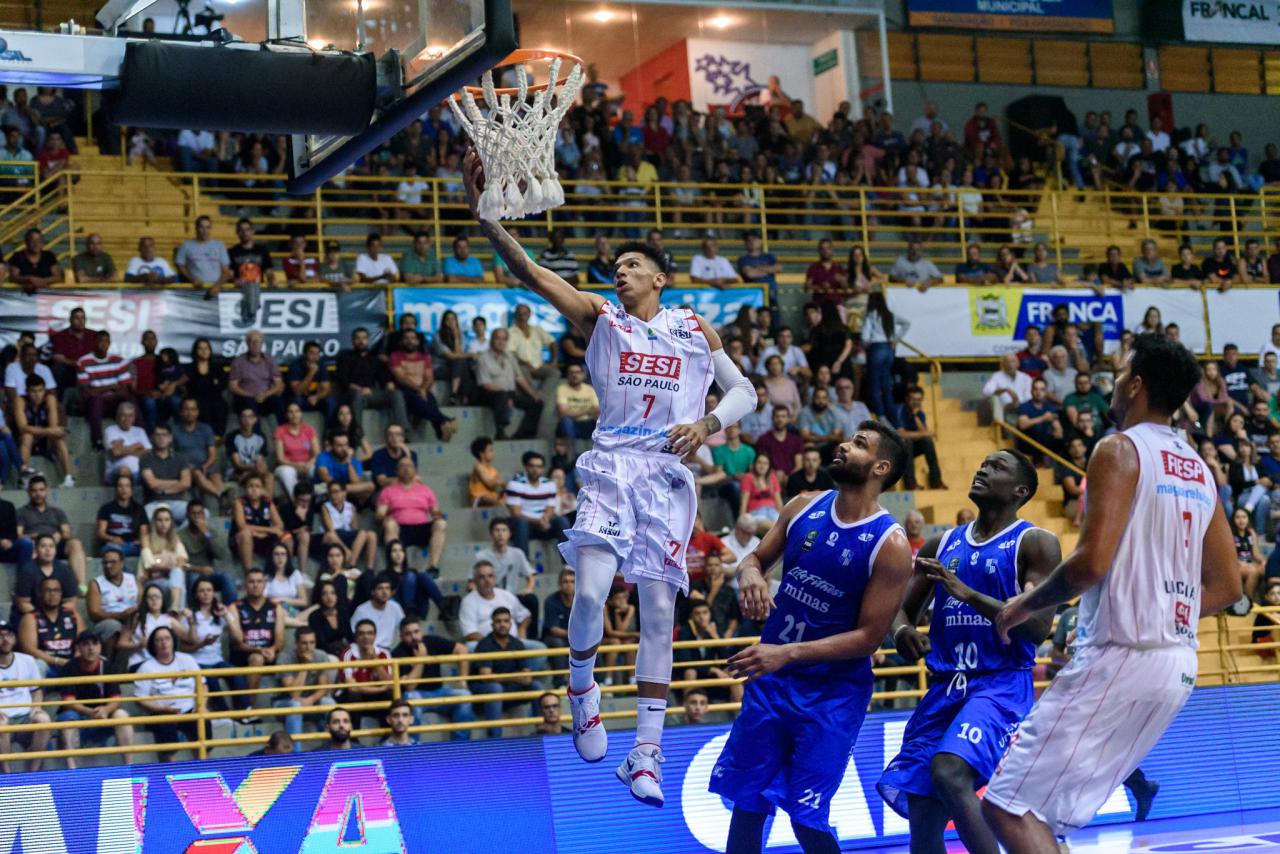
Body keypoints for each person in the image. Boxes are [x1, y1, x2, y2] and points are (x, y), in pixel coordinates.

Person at [465, 148, 755, 801]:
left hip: (667, 477)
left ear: (659, 276)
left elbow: (747, 395)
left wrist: (708, 426)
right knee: (592, 594)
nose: (619, 272)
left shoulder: (692, 326)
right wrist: (489, 221)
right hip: (610, 466)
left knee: (658, 611)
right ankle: (582, 689)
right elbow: (533, 275)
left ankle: (646, 752)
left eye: (632, 265)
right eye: (615, 266)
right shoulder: (603, 317)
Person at [983, 334, 1242, 851]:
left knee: (1005, 805)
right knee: (1042, 816)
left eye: (1122, 374)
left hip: (1121, 654)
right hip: (1177, 666)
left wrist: (1022, 605)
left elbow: (1090, 564)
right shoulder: (1198, 468)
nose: (1116, 384)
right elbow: (1230, 585)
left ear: (1137, 384)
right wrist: (1170, 612)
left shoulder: (1119, 448)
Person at [711, 423, 913, 852]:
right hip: (773, 682)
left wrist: (786, 654)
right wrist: (751, 576)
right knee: (748, 804)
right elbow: (755, 558)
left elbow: (869, 638)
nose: (843, 445)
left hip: (831, 695)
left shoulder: (890, 543)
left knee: (807, 816)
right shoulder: (803, 505)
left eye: (859, 444)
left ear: (880, 467)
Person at [878, 450, 1061, 853]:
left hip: (998, 685)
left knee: (949, 771)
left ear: (1020, 490)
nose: (982, 468)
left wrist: (968, 593)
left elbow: (1036, 628)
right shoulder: (941, 542)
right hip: (945, 687)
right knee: (924, 807)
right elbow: (899, 609)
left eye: (997, 466)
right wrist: (904, 631)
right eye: (982, 464)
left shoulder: (1035, 543)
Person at [57, 631, 135, 767]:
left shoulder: (108, 667)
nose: (91, 648)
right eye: (86, 644)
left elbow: (116, 698)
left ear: (100, 647)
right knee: (68, 718)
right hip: (79, 718)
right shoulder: (69, 667)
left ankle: (129, 768)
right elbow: (68, 702)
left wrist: (106, 709)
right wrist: (89, 712)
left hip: (102, 718)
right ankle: (72, 771)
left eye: (95, 644)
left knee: (121, 715)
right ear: (78, 648)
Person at [392, 616, 474, 736]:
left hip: (439, 692)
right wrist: (421, 660)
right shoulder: (398, 653)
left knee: (465, 696)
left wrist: (462, 680)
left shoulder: (431, 641)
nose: (414, 637)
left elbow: (462, 650)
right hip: (417, 694)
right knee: (409, 698)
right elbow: (410, 687)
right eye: (408, 634)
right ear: (401, 637)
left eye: (416, 632)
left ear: (421, 631)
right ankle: (413, 745)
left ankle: (460, 746)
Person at [133, 625, 204, 761]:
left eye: (167, 639)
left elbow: (203, 686)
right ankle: (170, 771)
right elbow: (140, 699)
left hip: (189, 711)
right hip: (161, 713)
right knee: (165, 725)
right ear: (153, 645)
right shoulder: (146, 667)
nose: (164, 643)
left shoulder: (187, 660)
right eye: (159, 640)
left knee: (203, 722)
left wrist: (202, 706)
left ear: (173, 641)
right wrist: (161, 709)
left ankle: (203, 767)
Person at [227, 567, 286, 712]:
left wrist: (272, 649)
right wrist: (260, 650)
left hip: (268, 654)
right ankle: (250, 708)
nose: (255, 585)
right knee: (256, 658)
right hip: (242, 655)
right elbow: (237, 643)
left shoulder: (275, 607)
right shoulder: (235, 607)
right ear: (245, 585)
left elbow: (280, 639)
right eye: (251, 581)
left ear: (264, 584)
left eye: (259, 581)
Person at [472, 607, 537, 737]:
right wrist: (514, 677)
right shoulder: (484, 644)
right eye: (498, 621)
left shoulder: (517, 643)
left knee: (536, 686)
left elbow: (526, 673)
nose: (502, 624)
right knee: (495, 688)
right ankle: (495, 738)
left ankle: (543, 729)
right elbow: (486, 677)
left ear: (510, 624)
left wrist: (525, 677)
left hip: (508, 687)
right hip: (484, 688)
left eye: (506, 621)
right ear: (492, 624)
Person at [16, 477, 87, 590]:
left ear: (47, 491)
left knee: (75, 543)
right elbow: (18, 535)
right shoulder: (21, 512)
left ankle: (82, 586)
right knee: (31, 546)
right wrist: (36, 536)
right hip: (36, 545)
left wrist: (59, 535)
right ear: (28, 492)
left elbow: (67, 532)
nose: (38, 493)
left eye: (41, 490)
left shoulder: (57, 512)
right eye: (34, 490)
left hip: (56, 544)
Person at [377, 458, 447, 571]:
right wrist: (385, 518)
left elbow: (435, 511)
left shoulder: (426, 490)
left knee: (441, 524)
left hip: (421, 529)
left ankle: (433, 567)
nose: (406, 469)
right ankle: (395, 569)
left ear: (415, 470)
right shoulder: (388, 491)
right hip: (399, 529)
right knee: (389, 525)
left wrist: (438, 514)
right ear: (396, 471)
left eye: (409, 466)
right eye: (402, 466)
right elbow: (380, 513)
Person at [0, 618, 52, 771]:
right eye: (0, 636)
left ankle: (33, 772)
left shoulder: (27, 660)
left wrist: (36, 708)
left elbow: (36, 691)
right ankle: (8, 775)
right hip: (3, 717)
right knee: (1, 725)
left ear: (14, 639)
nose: (5, 640)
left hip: (25, 716)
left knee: (44, 719)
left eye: (8, 635)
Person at [273, 626, 337, 738]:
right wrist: (305, 666)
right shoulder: (285, 658)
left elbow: (323, 688)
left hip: (310, 701)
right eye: (304, 643)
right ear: (296, 643)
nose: (309, 647)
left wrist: (310, 700)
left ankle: (333, 750)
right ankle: (296, 754)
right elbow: (294, 694)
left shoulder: (320, 656)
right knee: (295, 705)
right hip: (283, 703)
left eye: (312, 643)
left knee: (329, 703)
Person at [14, 376, 74, 486]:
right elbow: (22, 427)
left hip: (46, 440)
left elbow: (53, 426)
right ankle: (24, 478)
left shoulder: (50, 398)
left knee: (59, 437)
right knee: (27, 436)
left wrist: (49, 431)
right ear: (27, 391)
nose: (37, 395)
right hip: (27, 441)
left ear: (44, 390)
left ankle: (68, 478)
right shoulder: (20, 400)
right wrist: (49, 431)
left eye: (40, 390)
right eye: (33, 391)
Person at [18, 574, 82, 676]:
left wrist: (76, 659)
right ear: (39, 593)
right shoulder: (31, 618)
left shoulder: (73, 615)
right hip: (47, 665)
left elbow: (83, 641)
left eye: (56, 590)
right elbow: (29, 650)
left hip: (71, 663)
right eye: (47, 590)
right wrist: (57, 661)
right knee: (37, 665)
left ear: (61, 593)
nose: (52, 594)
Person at [228, 330, 286, 422]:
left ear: (262, 343)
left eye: (258, 342)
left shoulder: (270, 360)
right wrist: (251, 395)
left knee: (278, 401)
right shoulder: (238, 361)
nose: (255, 344)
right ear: (247, 343)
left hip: (266, 397)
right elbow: (233, 386)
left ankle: (285, 433)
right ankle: (256, 434)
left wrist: (265, 395)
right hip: (246, 398)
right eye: (252, 341)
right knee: (248, 403)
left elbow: (278, 384)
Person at [983, 353, 1033, 426]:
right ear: (1003, 365)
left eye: (1013, 361)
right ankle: (999, 426)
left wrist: (1015, 402)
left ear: (1018, 364)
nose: (1010, 365)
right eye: (1007, 362)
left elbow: (1028, 397)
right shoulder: (997, 376)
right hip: (1004, 409)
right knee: (994, 398)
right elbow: (986, 391)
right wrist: (1005, 390)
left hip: (1022, 409)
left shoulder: (1026, 378)